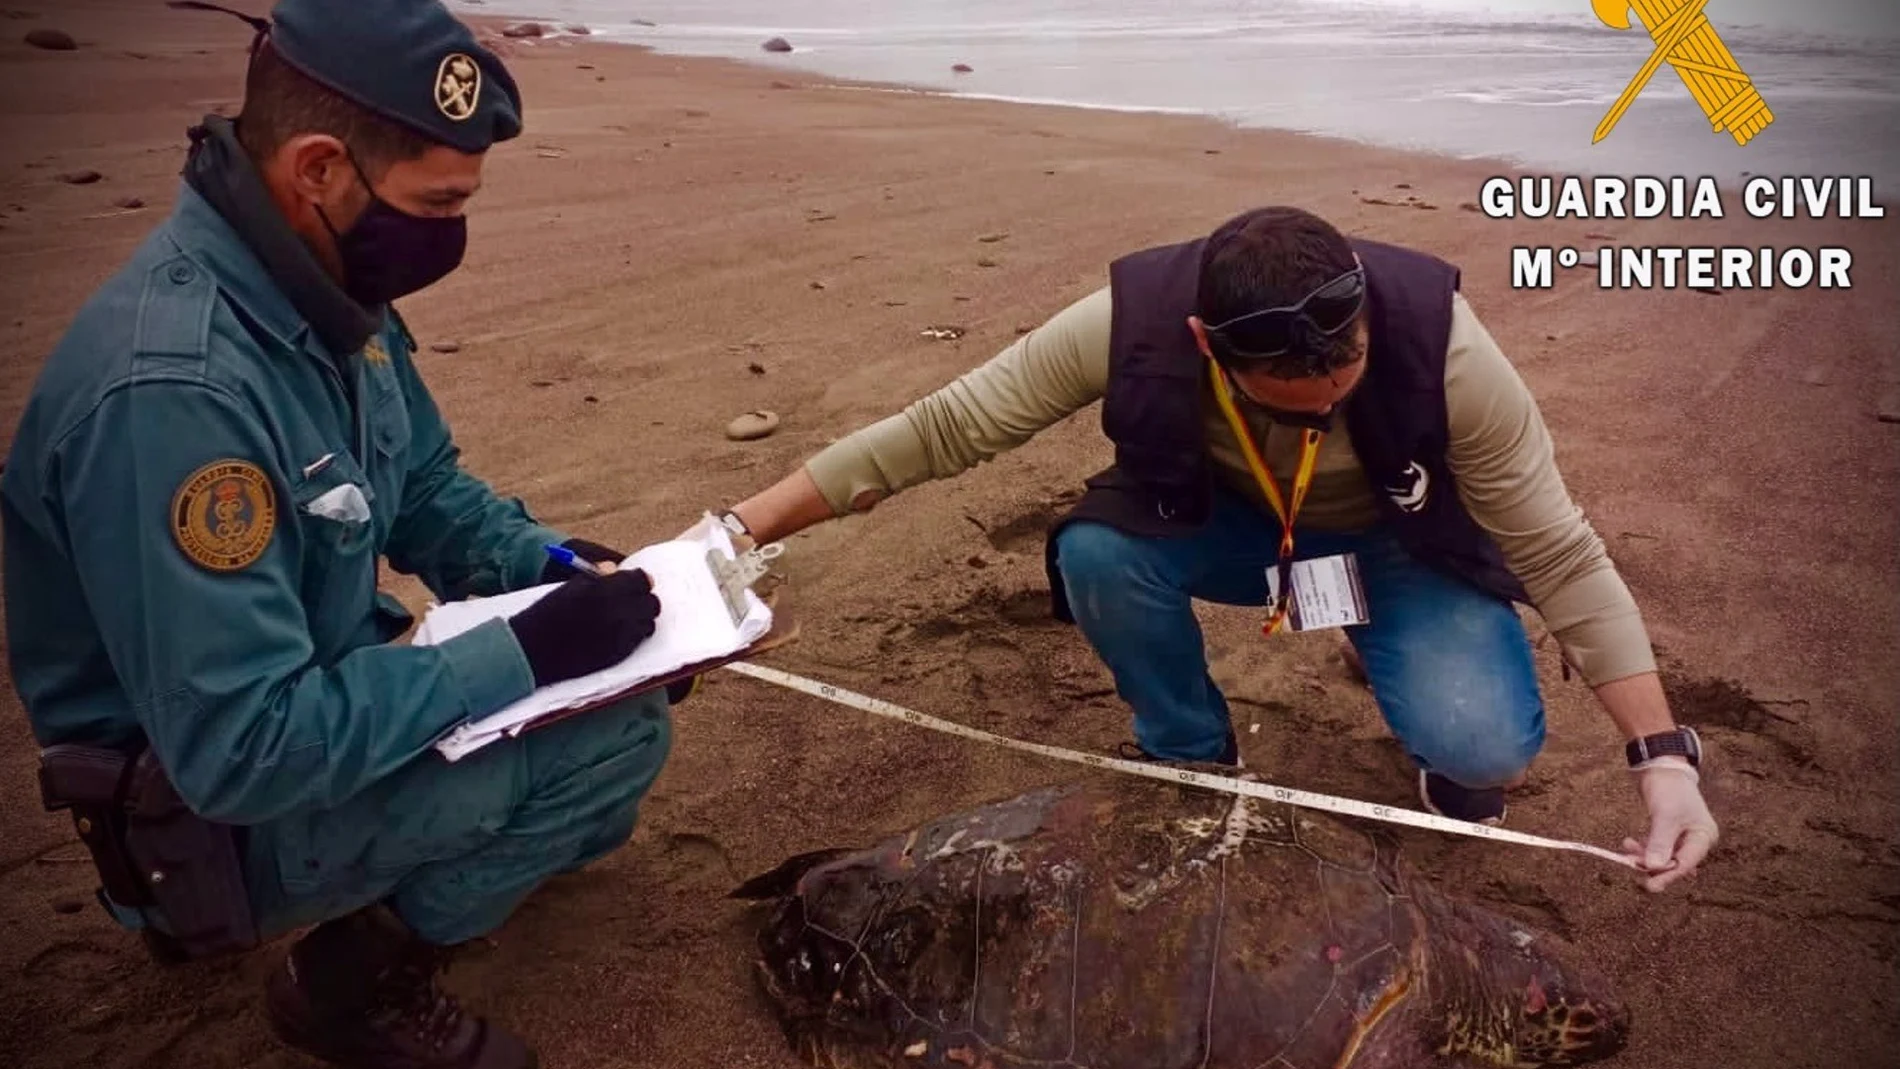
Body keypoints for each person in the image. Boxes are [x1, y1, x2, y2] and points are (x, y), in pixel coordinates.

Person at [1, 3, 677, 1067]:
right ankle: (345, 985)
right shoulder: (177, 400)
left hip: (319, 700)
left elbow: (423, 490)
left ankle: (433, 854)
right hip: (199, 823)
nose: (452, 233)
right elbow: (242, 749)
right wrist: (530, 652)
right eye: (438, 203)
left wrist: (548, 569)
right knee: (608, 747)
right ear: (320, 169)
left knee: (609, 738)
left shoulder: (318, 290)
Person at [712, 204, 1718, 892]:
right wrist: (736, 530)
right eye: (1294, 400)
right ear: (1204, 341)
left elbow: (1563, 555)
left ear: (1363, 311)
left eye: (1347, 377)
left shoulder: (1450, 355)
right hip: (1231, 535)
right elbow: (941, 428)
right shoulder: (1128, 326)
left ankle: (1381, 644)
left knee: (1482, 749)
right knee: (1098, 555)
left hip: (1395, 549)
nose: (1330, 404)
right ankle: (1191, 758)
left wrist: (1661, 759)